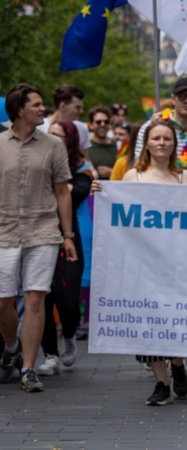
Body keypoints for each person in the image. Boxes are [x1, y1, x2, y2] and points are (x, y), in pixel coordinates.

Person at [91, 120, 187, 405]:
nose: (161, 143)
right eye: (156, 138)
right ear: (146, 143)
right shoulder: (132, 178)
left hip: (179, 262)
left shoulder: (185, 178)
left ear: (174, 144)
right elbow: (119, 214)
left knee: (175, 319)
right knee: (149, 321)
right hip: (143, 262)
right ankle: (161, 383)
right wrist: (101, 194)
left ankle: (177, 362)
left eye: (166, 139)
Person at [0, 84, 77, 392]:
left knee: (35, 298)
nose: (43, 109)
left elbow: (62, 191)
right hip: (3, 230)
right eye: (37, 104)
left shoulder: (54, 146)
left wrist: (67, 235)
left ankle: (29, 369)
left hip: (43, 230)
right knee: (4, 301)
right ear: (19, 110)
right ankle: (10, 348)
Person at [39, 121, 92, 375]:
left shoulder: (82, 166)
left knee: (68, 300)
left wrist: (60, 186)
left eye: (59, 135)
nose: (53, 139)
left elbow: (77, 192)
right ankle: (50, 354)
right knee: (42, 298)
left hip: (69, 236)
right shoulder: (37, 158)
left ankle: (69, 334)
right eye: (50, 134)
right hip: (38, 235)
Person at [134, 78, 187, 184]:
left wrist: (181, 178)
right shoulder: (151, 127)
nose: (186, 101)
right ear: (174, 99)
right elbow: (138, 169)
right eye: (181, 96)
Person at [38, 84, 90, 152]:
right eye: (77, 107)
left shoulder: (81, 128)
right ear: (62, 106)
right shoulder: (39, 127)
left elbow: (84, 158)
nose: (81, 111)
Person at [87, 106, 117, 180]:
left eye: (106, 122)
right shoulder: (85, 147)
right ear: (91, 125)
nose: (102, 125)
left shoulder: (118, 146)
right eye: (98, 122)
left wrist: (112, 172)